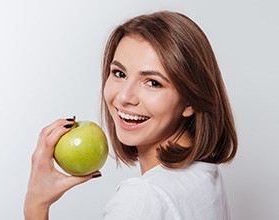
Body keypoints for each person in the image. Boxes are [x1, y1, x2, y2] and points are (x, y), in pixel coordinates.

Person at [24, 10, 238, 220]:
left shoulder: (142, 198)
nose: (125, 96)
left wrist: (35, 205)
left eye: (153, 82)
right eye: (119, 73)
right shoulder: (206, 179)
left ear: (190, 100)